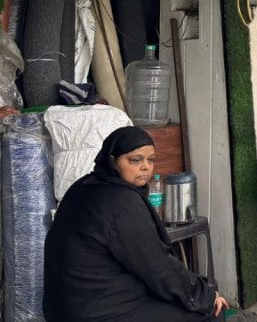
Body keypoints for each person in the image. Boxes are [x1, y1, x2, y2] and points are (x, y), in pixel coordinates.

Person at [43, 127, 228, 322]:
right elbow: (159, 267)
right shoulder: (121, 202)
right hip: (95, 311)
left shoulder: (84, 186)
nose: (146, 167)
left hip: (65, 307)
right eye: (135, 160)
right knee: (211, 313)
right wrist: (205, 296)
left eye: (151, 160)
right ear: (113, 161)